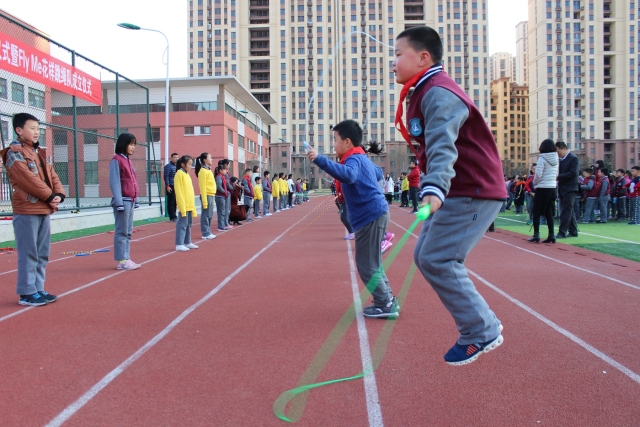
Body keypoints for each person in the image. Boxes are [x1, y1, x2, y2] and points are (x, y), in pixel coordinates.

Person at [393, 26, 505, 365]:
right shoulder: (424, 90)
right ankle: (479, 327)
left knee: (438, 259)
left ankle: (481, 330)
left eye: (399, 54)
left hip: (471, 190)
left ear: (423, 57)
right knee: (426, 256)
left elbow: (443, 146)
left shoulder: (438, 93)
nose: (393, 61)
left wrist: (434, 189)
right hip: (458, 189)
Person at [308, 120, 398, 319]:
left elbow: (349, 175)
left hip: (370, 215)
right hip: (375, 213)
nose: (333, 144)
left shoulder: (354, 160)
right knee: (372, 262)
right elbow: (376, 172)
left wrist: (319, 159)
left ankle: (385, 303)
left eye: (335, 140)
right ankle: (388, 299)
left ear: (347, 142)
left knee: (366, 264)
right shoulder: (360, 157)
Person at [0, 113, 65, 306]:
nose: (36, 132)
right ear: (19, 130)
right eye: (32, 128)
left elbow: (52, 175)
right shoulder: (14, 153)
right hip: (27, 209)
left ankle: (38, 289)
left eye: (38, 128)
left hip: (44, 208)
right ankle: (27, 293)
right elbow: (27, 179)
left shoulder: (39, 152)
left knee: (42, 251)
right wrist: (49, 196)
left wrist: (59, 195)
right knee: (29, 252)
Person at [109, 133, 141, 271]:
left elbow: (134, 181)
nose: (133, 147)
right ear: (123, 144)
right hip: (123, 201)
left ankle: (126, 257)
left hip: (131, 200)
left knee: (128, 231)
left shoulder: (128, 160)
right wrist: (119, 202)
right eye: (130, 144)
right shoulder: (116, 160)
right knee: (121, 231)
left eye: (134, 144)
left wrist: (137, 199)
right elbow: (115, 182)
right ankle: (122, 260)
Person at [527, 140, 558, 243]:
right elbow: (556, 173)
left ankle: (536, 234)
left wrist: (535, 183)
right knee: (549, 212)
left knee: (536, 211)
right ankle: (551, 235)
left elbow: (538, 174)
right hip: (552, 186)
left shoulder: (542, 158)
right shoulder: (556, 158)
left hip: (542, 186)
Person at [555, 141, 580, 238]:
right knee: (569, 210)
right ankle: (573, 231)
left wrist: (558, 177)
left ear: (564, 148)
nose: (558, 154)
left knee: (566, 210)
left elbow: (573, 173)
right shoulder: (560, 160)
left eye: (558, 151)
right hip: (562, 188)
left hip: (570, 188)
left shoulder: (573, 159)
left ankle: (562, 231)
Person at [174, 155, 199, 252]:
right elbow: (179, 192)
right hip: (183, 204)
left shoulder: (187, 174)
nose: (190, 166)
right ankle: (179, 244)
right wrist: (182, 206)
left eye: (191, 164)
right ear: (182, 164)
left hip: (189, 204)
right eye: (189, 164)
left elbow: (190, 190)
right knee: (182, 224)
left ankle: (188, 242)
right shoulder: (179, 174)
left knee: (188, 224)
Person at [195, 152, 217, 240]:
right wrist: (204, 201)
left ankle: (208, 231)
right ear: (204, 160)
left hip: (211, 195)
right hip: (206, 195)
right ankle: (205, 233)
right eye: (210, 158)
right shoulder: (203, 171)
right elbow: (203, 187)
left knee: (210, 214)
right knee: (206, 215)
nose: (211, 159)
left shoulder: (208, 170)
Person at [215, 162, 231, 231]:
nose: (225, 171)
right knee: (221, 212)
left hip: (223, 196)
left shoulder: (222, 177)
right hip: (220, 196)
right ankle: (221, 226)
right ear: (220, 170)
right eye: (224, 170)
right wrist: (224, 192)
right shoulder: (219, 177)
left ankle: (222, 225)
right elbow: (218, 186)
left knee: (223, 212)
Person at [164, 153, 179, 222]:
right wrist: (167, 186)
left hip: (176, 186)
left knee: (175, 202)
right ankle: (171, 217)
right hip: (171, 186)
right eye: (175, 157)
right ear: (171, 158)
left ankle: (174, 215)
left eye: (177, 157)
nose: (176, 158)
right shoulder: (168, 166)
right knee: (171, 202)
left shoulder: (178, 167)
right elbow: (166, 176)